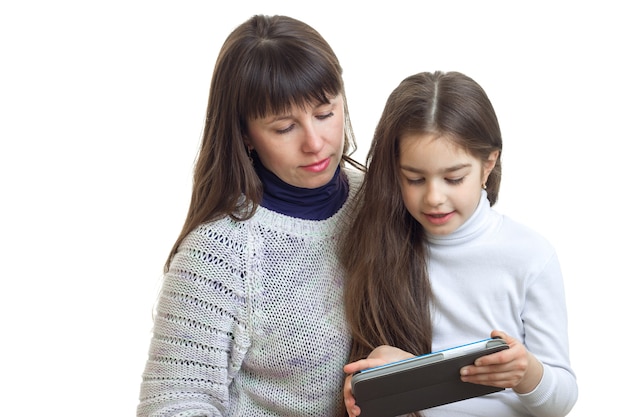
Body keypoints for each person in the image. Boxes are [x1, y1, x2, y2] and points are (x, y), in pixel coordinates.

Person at [136, 14, 365, 417]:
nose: (315, 143)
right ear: (245, 134)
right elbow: (173, 407)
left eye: (325, 114)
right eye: (283, 128)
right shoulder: (217, 252)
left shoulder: (382, 200)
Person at [339, 71, 577, 416]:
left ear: (487, 165)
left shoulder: (530, 257)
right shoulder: (380, 247)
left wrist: (527, 373)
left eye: (454, 178)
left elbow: (561, 401)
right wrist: (388, 377)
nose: (434, 197)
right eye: (415, 179)